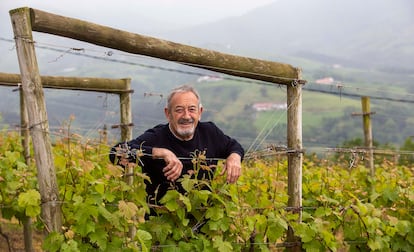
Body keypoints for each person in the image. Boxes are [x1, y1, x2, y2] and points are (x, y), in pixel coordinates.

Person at [109, 84, 244, 207]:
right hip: (162, 220)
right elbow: (116, 152)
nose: (186, 116)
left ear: (200, 112)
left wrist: (234, 157)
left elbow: (234, 146)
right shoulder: (156, 137)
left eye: (192, 109)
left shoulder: (209, 132)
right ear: (168, 114)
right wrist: (160, 152)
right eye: (179, 110)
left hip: (202, 220)